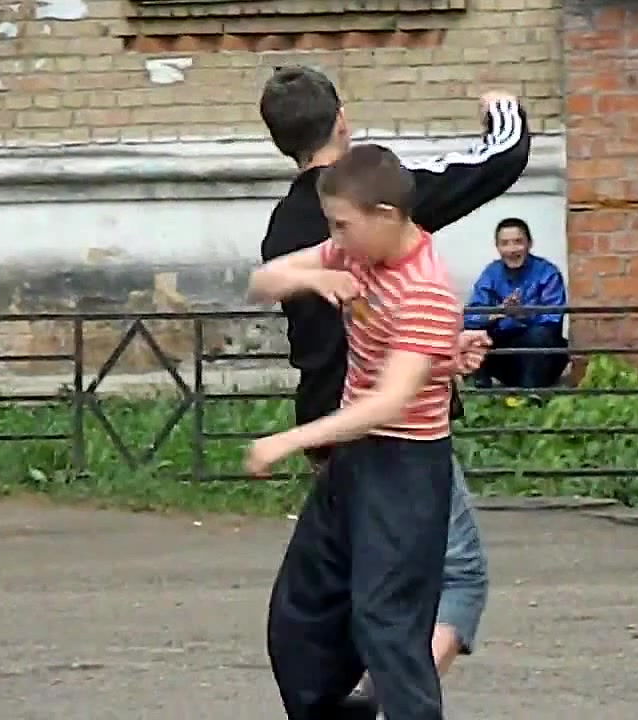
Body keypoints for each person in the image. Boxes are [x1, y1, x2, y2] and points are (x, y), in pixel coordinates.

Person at [256, 65, 531, 717]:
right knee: (441, 583)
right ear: (341, 121)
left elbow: (390, 344)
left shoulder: (290, 221)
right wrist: (504, 107)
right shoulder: (374, 219)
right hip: (381, 441)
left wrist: (434, 353)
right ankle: (383, 701)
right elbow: (499, 160)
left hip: (348, 432)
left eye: (341, 228)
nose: (338, 242)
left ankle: (375, 695)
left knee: (363, 596)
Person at [246, 144, 465, 720]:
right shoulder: (351, 255)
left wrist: (289, 440)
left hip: (406, 468)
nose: (335, 238)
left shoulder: (425, 289)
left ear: (386, 215)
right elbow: (261, 281)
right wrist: (315, 275)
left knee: (386, 623)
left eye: (343, 225)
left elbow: (389, 402)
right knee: (301, 613)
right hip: (354, 465)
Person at [464, 217, 569, 389]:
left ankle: (530, 394)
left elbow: (552, 320)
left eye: (518, 242)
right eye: (505, 243)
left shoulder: (547, 272)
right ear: (497, 247)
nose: (512, 249)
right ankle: (480, 393)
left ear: (529, 244)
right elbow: (470, 316)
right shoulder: (491, 273)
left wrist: (523, 315)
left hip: (540, 353)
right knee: (470, 336)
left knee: (539, 336)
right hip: (504, 348)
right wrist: (497, 313)